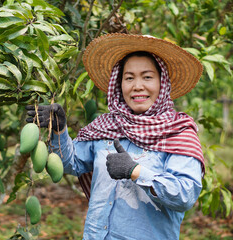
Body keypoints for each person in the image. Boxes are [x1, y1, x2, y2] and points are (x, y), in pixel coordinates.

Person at [25, 33, 205, 240]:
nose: (137, 86)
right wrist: (59, 130)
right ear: (119, 84)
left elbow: (185, 194)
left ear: (162, 83)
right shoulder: (105, 126)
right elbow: (70, 164)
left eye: (147, 77)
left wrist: (135, 171)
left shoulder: (178, 132)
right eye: (129, 78)